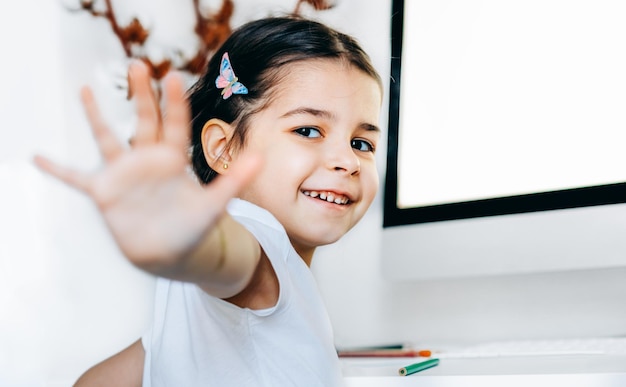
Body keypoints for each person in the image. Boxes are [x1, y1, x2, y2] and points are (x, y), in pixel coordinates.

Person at [35, 15, 383, 386]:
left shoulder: (203, 311)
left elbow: (109, 377)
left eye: (361, 143)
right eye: (309, 130)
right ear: (223, 149)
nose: (347, 161)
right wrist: (188, 236)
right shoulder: (255, 244)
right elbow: (227, 256)